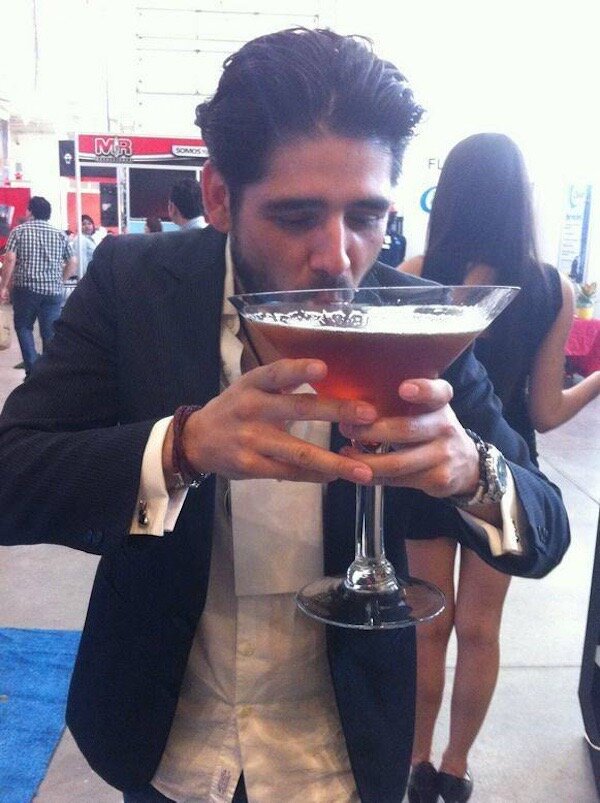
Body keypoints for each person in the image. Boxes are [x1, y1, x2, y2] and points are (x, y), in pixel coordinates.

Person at [0, 32, 569, 803]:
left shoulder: (413, 316)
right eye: (297, 215)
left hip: (342, 758)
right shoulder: (134, 285)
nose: (339, 256)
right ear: (218, 196)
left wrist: (473, 471)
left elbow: (545, 530)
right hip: (167, 748)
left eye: (366, 215)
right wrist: (181, 447)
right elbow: (12, 475)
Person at [400, 132, 598, 803]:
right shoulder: (549, 288)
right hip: (507, 476)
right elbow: (544, 411)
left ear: (449, 195)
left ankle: (414, 762)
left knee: (427, 625)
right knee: (481, 631)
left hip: (426, 462)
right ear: (521, 197)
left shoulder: (420, 270)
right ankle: (456, 769)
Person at [0, 196, 77, 376]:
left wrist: (3, 286)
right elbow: (73, 261)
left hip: (26, 289)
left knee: (24, 326)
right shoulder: (60, 234)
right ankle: (49, 373)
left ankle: (33, 370)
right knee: (49, 332)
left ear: (30, 211)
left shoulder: (19, 231)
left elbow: (10, 259)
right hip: (53, 291)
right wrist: (60, 281)